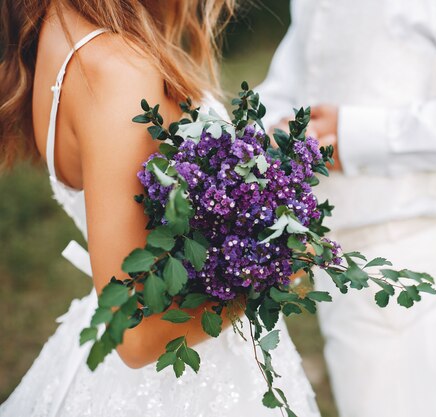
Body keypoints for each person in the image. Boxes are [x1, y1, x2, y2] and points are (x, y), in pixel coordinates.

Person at [0, 1, 320, 416]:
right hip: (180, 388)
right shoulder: (116, 70)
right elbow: (134, 337)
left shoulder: (61, 31)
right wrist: (276, 269)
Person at [257, 0, 436, 416]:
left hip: (401, 259)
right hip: (330, 261)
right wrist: (261, 140)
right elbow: (295, 80)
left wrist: (358, 136)